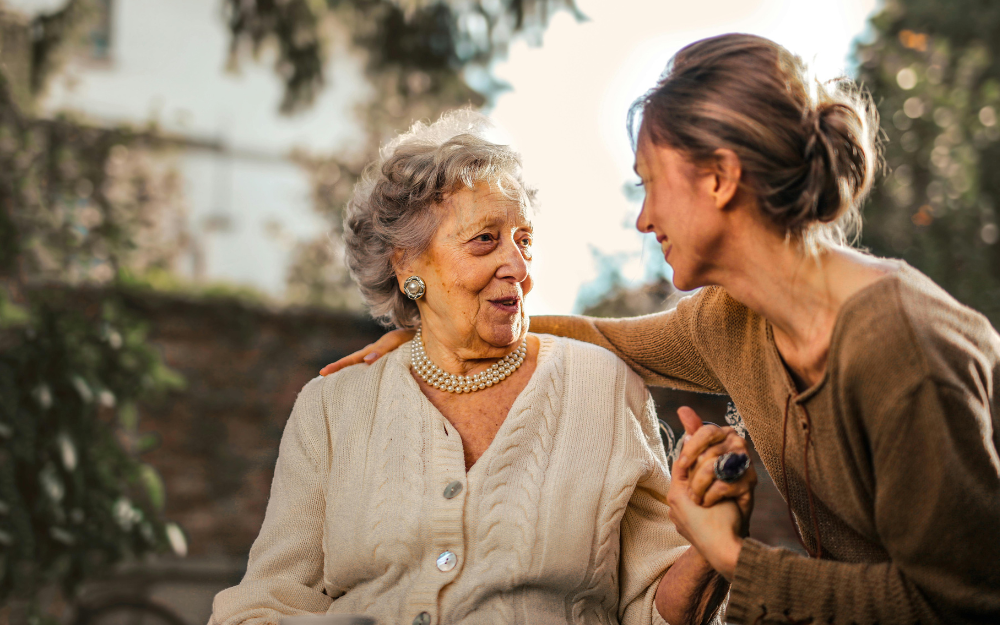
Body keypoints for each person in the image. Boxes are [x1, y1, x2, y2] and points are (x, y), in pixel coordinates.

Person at [321, 35, 1000, 624]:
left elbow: (961, 603)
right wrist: (442, 332)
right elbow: (604, 337)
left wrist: (730, 555)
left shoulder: (901, 348)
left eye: (650, 183)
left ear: (720, 178)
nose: (644, 219)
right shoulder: (732, 320)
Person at [211, 110, 755, 625]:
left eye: (525, 241)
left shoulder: (603, 387)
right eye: (485, 240)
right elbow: (266, 602)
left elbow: (654, 612)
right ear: (407, 262)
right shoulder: (333, 407)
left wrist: (710, 548)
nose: (518, 267)